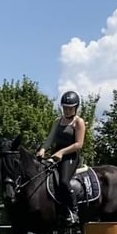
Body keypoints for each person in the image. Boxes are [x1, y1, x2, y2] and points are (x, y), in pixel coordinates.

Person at [36, 90, 87, 225]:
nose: (67, 110)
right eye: (64, 107)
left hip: (70, 157)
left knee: (63, 181)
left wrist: (62, 152)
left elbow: (79, 144)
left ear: (75, 108)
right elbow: (50, 138)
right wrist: (42, 149)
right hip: (55, 156)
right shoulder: (57, 121)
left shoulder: (79, 122)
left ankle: (74, 211)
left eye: (70, 108)